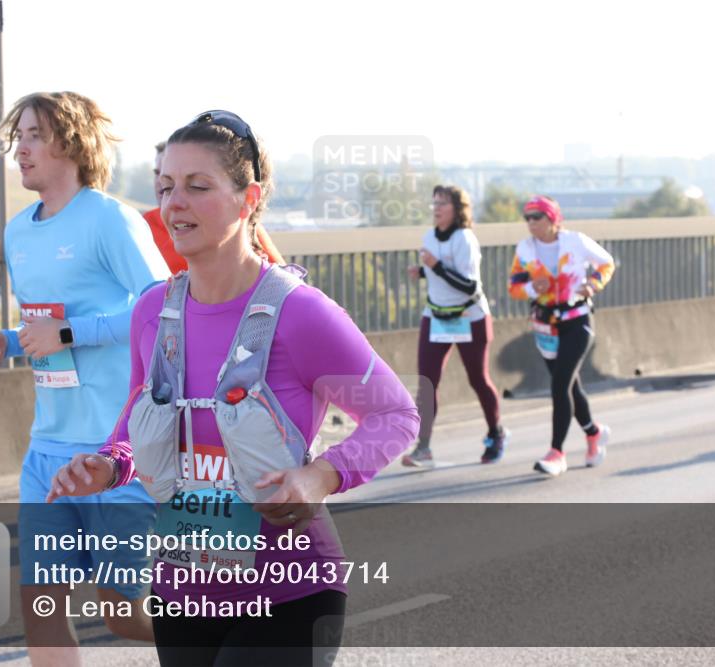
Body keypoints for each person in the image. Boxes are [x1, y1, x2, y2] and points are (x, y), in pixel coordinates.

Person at [45, 110, 419, 667]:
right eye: (166, 187)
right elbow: (137, 417)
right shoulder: (154, 310)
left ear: (249, 199)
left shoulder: (300, 313)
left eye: (198, 187)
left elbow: (397, 415)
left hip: (291, 592)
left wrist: (320, 475)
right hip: (182, 594)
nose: (175, 204)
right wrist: (106, 465)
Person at [0, 91, 170, 666]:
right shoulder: (17, 231)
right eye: (17, 138)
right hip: (47, 450)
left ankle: (231, 642)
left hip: (116, 450)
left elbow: (161, 306)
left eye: (33, 135)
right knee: (39, 604)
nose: (21, 149)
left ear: (70, 142)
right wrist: (8, 342)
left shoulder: (109, 218)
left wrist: (71, 334)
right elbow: (47, 322)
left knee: (123, 612)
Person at [508, 196, 614, 477]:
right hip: (545, 324)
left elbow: (607, 264)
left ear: (554, 219)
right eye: (527, 217)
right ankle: (593, 432)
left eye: (537, 217)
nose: (531, 223)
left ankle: (557, 452)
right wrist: (532, 288)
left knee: (559, 385)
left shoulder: (576, 241)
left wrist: (592, 284)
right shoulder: (525, 249)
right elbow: (514, 286)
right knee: (570, 387)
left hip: (577, 321)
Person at [402, 185, 507, 468]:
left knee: (478, 379)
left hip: (468, 316)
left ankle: (495, 433)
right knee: (426, 383)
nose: (436, 208)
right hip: (436, 316)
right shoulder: (429, 236)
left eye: (443, 203)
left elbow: (467, 284)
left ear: (457, 209)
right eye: (434, 202)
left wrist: (434, 267)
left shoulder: (465, 239)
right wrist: (422, 271)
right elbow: (441, 272)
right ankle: (423, 447)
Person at [143, 141, 285, 273]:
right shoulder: (144, 226)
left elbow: (281, 277)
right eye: (165, 180)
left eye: (197, 186)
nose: (175, 199)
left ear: (248, 200)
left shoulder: (238, 223)